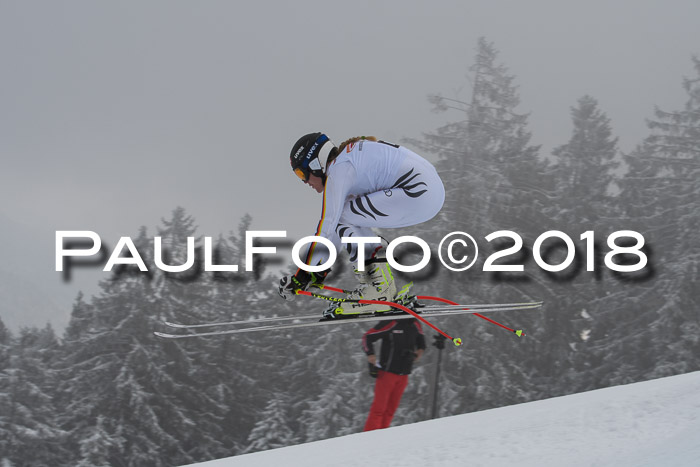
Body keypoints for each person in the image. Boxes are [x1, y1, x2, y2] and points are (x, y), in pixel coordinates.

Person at [277, 133, 445, 318]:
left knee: (342, 214)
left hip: (417, 191)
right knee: (349, 214)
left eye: (301, 173)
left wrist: (302, 276)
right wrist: (316, 270)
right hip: (428, 192)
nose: (304, 182)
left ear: (315, 164)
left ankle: (379, 289)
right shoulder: (349, 161)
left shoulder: (338, 170)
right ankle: (382, 284)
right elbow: (335, 230)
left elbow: (328, 226)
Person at [362, 318, 426, 431]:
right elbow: (367, 337)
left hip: (404, 374)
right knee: (379, 409)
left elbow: (421, 341)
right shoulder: (391, 322)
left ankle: (383, 436)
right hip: (387, 373)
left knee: (391, 410)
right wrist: (370, 354)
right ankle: (370, 438)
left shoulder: (415, 323)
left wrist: (419, 351)